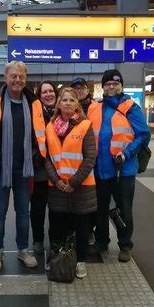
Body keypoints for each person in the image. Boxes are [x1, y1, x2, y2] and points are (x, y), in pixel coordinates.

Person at [0, 61, 46, 273]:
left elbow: (40, 132)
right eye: (13, 76)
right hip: (0, 167)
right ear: (5, 77)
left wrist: (37, 156)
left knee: (22, 213)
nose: (17, 80)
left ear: (25, 79)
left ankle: (23, 250)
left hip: (25, 168)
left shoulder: (33, 102)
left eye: (21, 76)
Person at [88, 69, 150, 262]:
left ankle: (125, 245)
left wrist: (127, 153)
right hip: (100, 169)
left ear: (121, 86)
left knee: (123, 208)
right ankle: (102, 241)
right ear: (103, 87)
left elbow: (143, 135)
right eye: (108, 84)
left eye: (115, 83)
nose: (111, 87)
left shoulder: (131, 107)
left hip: (123, 170)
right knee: (100, 209)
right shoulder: (95, 108)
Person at [45, 87, 96, 279]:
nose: (67, 103)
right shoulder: (50, 127)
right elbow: (47, 157)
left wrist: (73, 182)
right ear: (58, 103)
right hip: (57, 187)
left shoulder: (85, 125)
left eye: (71, 100)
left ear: (77, 104)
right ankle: (56, 257)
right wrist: (56, 180)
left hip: (81, 187)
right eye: (64, 100)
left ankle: (81, 261)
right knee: (57, 225)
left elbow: (90, 158)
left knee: (82, 227)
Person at [31, 80, 58, 255]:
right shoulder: (34, 113)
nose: (48, 94)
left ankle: (55, 240)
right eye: (44, 92)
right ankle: (38, 240)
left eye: (51, 91)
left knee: (57, 209)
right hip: (40, 169)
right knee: (38, 208)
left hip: (58, 170)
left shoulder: (63, 112)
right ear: (39, 96)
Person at [70, 77, 98, 246]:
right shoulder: (68, 109)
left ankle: (89, 232)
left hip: (93, 160)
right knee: (75, 201)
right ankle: (76, 232)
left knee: (90, 202)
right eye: (76, 88)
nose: (79, 90)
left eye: (82, 88)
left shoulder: (97, 108)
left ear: (88, 90)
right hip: (72, 163)